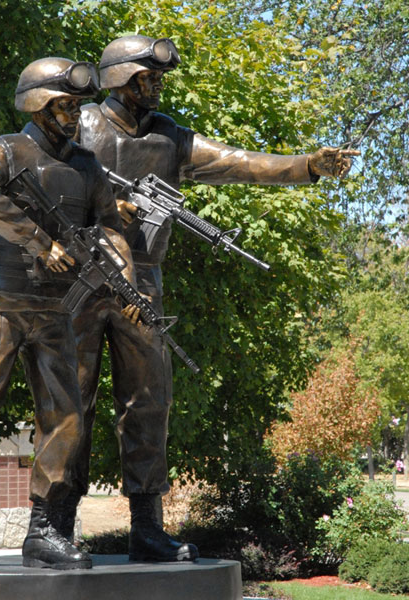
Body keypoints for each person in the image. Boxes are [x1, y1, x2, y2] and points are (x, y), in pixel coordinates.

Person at [69, 34, 359, 562]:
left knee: (150, 402)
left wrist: (307, 166)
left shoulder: (168, 137)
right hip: (81, 279)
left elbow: (238, 162)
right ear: (119, 78)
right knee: (70, 400)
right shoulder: (79, 124)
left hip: (144, 284)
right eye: (147, 77)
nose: (156, 86)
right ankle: (57, 523)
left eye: (157, 78)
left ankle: (147, 529)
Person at [0, 56, 135, 572]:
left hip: (54, 309)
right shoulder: (6, 149)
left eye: (76, 106)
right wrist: (40, 240)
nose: (73, 115)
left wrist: (128, 290)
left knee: (66, 417)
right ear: (38, 105)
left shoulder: (88, 167)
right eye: (64, 105)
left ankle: (43, 530)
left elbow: (111, 229)